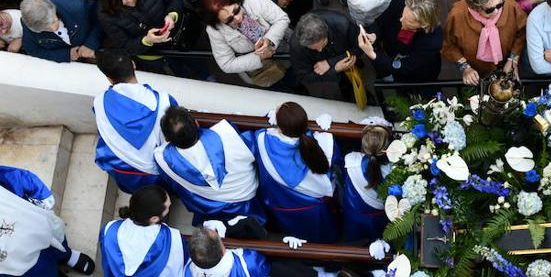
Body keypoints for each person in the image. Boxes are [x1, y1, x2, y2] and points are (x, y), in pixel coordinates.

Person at [155, 105, 264, 227]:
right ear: (197, 123)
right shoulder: (227, 134)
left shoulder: (163, 159)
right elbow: (255, 145)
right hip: (245, 202)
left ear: (167, 139)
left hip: (209, 207)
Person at [92, 48, 176, 193]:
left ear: (109, 78)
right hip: (164, 169)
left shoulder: (99, 102)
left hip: (127, 174)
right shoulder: (163, 100)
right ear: (133, 64)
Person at [253, 101, 339, 242]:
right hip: (317, 207)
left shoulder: (262, 140)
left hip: (283, 208)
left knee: (296, 238)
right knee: (325, 240)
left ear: (280, 127)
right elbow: (335, 158)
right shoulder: (320, 143)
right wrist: (325, 132)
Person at [99, 184, 186, 277]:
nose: (170, 207)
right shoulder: (171, 239)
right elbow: (177, 276)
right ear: (154, 219)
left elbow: (107, 264)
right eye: (168, 207)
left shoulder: (110, 229)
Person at [441, 0, 526, 85]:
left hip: (505, 65)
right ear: (474, 6)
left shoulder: (510, 4)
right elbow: (449, 45)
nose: (496, 11)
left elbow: (522, 32)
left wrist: (513, 59)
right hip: (474, 71)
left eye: (499, 5)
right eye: (489, 9)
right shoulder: (457, 15)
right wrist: (465, 68)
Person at [199, 0, 290, 87]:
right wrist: (258, 57)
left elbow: (282, 18)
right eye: (229, 20)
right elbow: (226, 64)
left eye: (236, 11)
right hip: (265, 70)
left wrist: (269, 40)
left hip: (286, 49)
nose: (237, 18)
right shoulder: (214, 30)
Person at [96, 0, 188, 68]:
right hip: (152, 55)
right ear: (110, 0)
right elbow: (124, 46)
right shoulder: (106, 14)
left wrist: (172, 15)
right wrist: (147, 40)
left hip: (180, 38)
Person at [355, 0, 442, 84]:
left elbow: (404, 66)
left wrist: (372, 55)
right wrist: (374, 35)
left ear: (423, 24)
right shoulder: (399, 3)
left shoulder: (432, 42)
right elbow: (380, 23)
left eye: (408, 20)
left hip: (416, 71)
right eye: (402, 15)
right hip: (393, 51)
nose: (401, 19)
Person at [337, 124, 391, 243]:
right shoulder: (392, 171)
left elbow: (342, 173)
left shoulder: (350, 160)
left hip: (354, 211)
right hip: (378, 216)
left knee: (353, 239)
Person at [289, 11, 361, 100]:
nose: (319, 51)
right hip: (325, 78)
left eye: (323, 45)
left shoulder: (344, 24)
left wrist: (331, 63)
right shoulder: (296, 46)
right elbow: (305, 76)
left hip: (349, 61)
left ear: (326, 32)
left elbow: (359, 48)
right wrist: (335, 69)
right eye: (314, 49)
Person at [19, 0, 101, 63]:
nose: (53, 28)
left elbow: (102, 20)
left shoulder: (78, 6)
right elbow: (33, 50)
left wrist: (91, 44)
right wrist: (66, 54)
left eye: (53, 21)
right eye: (46, 29)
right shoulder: (29, 23)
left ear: (53, 9)